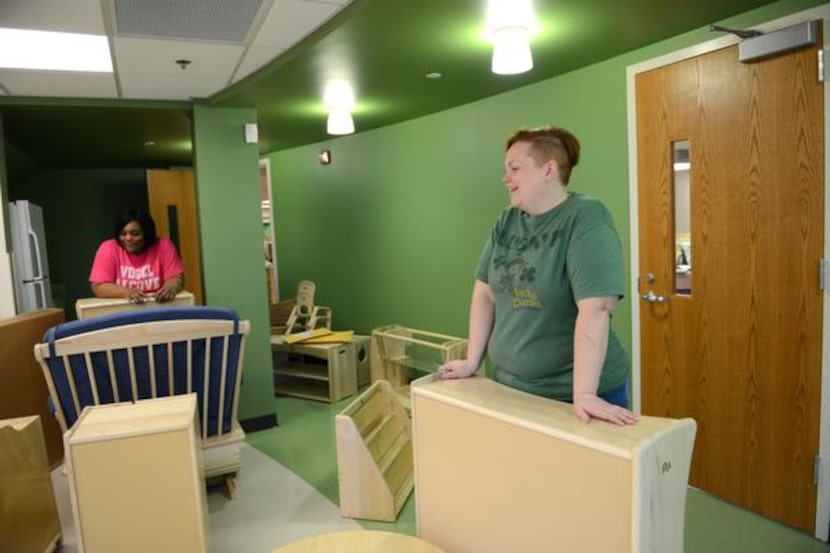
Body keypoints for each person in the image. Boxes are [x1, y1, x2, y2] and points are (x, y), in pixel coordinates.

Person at [437, 126, 637, 426]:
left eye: (515, 168)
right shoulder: (507, 220)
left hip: (570, 395)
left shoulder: (586, 217)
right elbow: (484, 292)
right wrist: (471, 360)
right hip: (508, 386)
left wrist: (584, 393)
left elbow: (597, 308)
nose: (506, 178)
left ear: (549, 170)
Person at [89, 207, 185, 304]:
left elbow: (175, 278)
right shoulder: (108, 248)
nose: (128, 238)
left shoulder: (163, 246)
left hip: (158, 307)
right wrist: (127, 292)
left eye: (135, 233)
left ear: (147, 233)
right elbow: (98, 287)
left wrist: (169, 287)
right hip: (122, 311)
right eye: (123, 234)